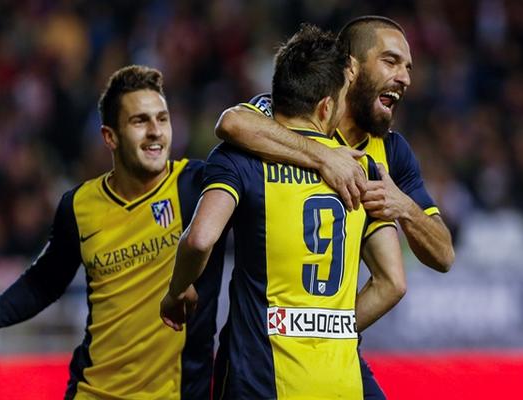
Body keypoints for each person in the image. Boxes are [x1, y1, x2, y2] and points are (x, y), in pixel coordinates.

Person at [0, 65, 224, 400]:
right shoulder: (78, 206)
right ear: (110, 136)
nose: (155, 131)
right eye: (140, 121)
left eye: (162, 119)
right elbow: (44, 281)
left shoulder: (200, 187)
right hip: (92, 392)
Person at [214, 16, 455, 398]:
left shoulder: (390, 153)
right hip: (259, 355)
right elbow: (231, 123)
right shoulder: (286, 113)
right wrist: (322, 157)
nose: (405, 77)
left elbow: (442, 255)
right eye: (391, 62)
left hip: (332, 356)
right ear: (352, 68)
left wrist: (404, 207)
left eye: (409, 67)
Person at [161, 24, 404, 399]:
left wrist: (177, 291)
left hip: (256, 379)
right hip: (338, 383)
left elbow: (200, 238)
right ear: (327, 107)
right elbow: (392, 283)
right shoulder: (363, 170)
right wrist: (330, 329)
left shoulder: (241, 158)